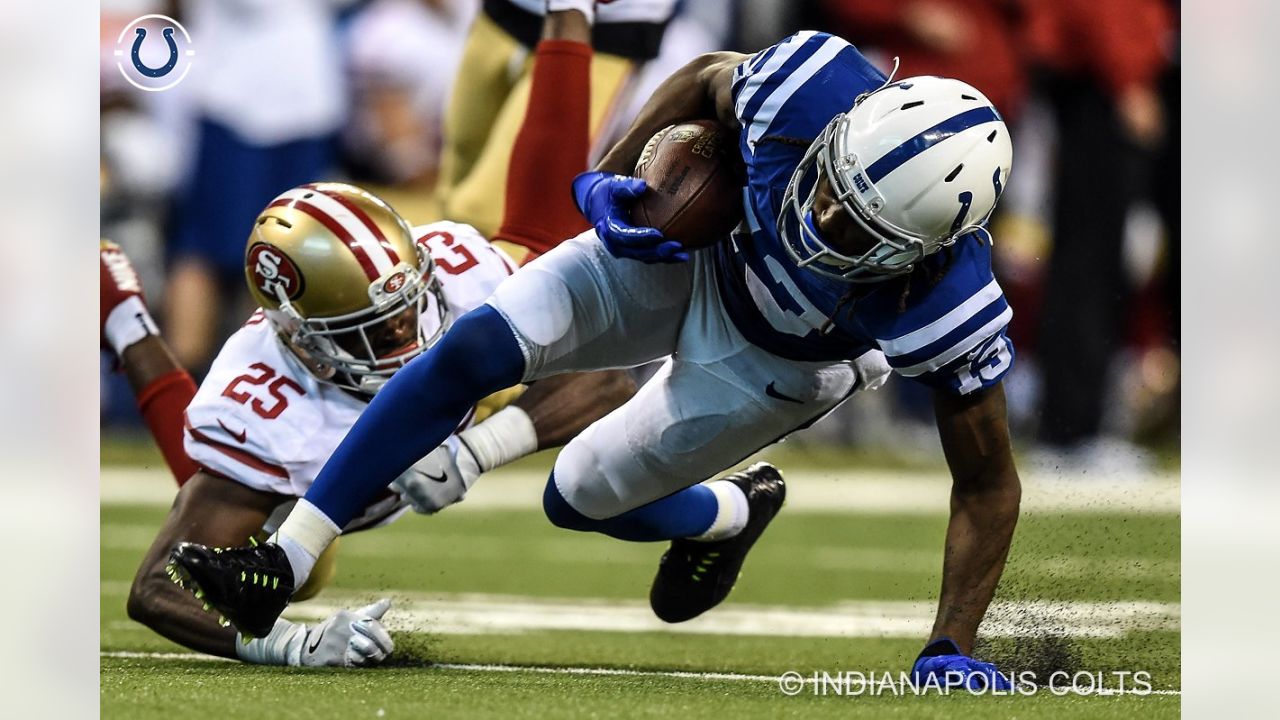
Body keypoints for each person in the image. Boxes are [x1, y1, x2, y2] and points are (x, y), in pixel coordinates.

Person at [172, 30, 1022, 690]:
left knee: (577, 496)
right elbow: (702, 78)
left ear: (935, 246)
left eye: (856, 229)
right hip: (691, 250)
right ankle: (279, 561)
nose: (823, 216)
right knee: (475, 347)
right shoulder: (812, 88)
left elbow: (987, 483)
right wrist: (606, 182)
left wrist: (950, 644)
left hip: (778, 359)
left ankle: (727, 514)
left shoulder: (948, 301)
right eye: (833, 184)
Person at [112, 7, 633, 668]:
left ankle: (727, 511)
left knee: (590, 431)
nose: (405, 337)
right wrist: (286, 646)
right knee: (269, 584)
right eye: (374, 331)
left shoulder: (456, 277)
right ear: (300, 341)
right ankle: (127, 322)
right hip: (301, 518)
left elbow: (609, 375)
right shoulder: (262, 409)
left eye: (407, 308)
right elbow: (157, 589)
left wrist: (477, 452)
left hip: (470, 399)